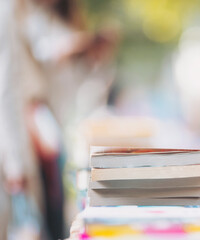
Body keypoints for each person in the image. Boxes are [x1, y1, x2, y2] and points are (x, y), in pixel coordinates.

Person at [0, 0, 117, 238]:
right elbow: (7, 87)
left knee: (50, 218)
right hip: (22, 136)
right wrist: (14, 161)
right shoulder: (11, 11)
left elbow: (69, 88)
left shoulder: (43, 15)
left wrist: (87, 56)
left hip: (45, 130)